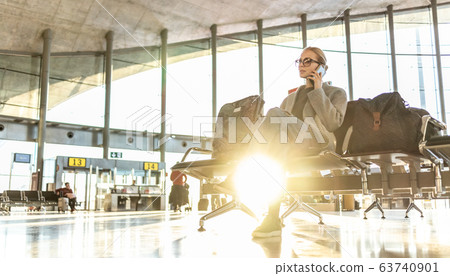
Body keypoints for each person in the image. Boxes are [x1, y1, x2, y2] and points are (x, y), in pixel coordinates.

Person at [251, 47, 348, 238]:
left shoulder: (336, 93)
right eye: (300, 61)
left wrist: (318, 90)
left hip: (317, 142)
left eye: (308, 61)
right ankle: (272, 218)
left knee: (273, 113)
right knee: (275, 151)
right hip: (289, 145)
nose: (302, 65)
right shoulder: (289, 98)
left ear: (322, 67)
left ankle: (243, 167)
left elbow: (333, 123)